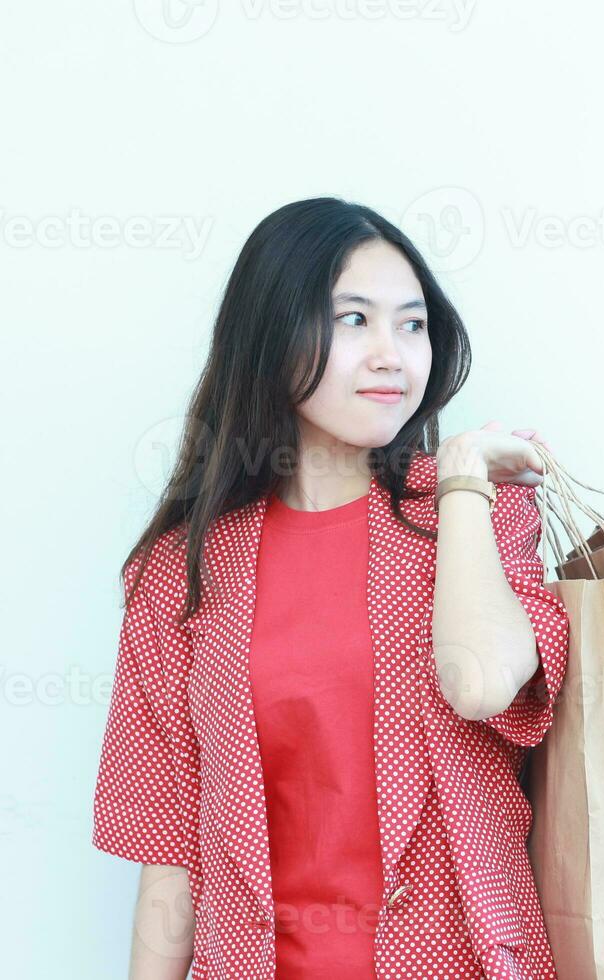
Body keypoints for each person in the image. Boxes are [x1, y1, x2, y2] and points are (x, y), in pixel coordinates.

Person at [91, 197, 571, 979]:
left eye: (412, 324)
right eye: (354, 320)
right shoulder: (181, 571)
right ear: (271, 335)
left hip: (461, 962)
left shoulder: (470, 511)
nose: (392, 354)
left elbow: (482, 684)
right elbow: (169, 850)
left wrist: (458, 478)